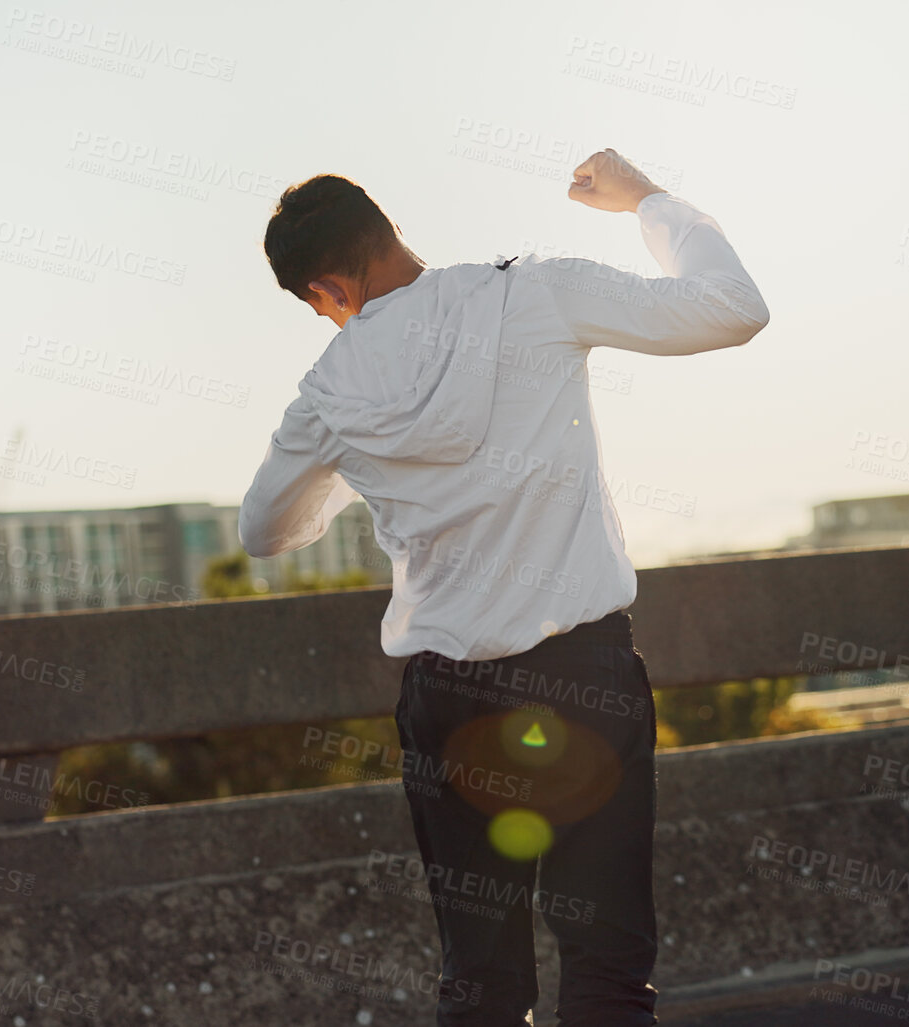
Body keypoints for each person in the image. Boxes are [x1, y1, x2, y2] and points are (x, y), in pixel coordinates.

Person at [240, 148, 769, 1026]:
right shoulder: (531, 291)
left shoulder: (328, 390)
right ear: (392, 233)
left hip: (447, 697)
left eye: (318, 307)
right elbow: (733, 310)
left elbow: (264, 529)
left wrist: (357, 460)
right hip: (580, 679)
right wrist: (647, 200)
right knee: (604, 965)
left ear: (325, 286)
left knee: (478, 980)